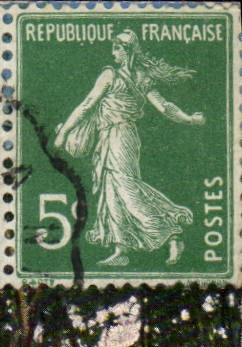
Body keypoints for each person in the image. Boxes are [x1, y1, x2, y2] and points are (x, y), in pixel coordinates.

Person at [55, 31, 204, 267]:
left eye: (116, 49)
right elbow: (165, 108)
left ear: (127, 51)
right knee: (111, 190)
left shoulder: (110, 75)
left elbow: (86, 105)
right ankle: (121, 248)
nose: (113, 53)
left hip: (119, 137)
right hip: (113, 137)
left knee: (126, 189)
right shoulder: (142, 78)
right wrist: (189, 119)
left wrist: (63, 133)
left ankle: (171, 233)